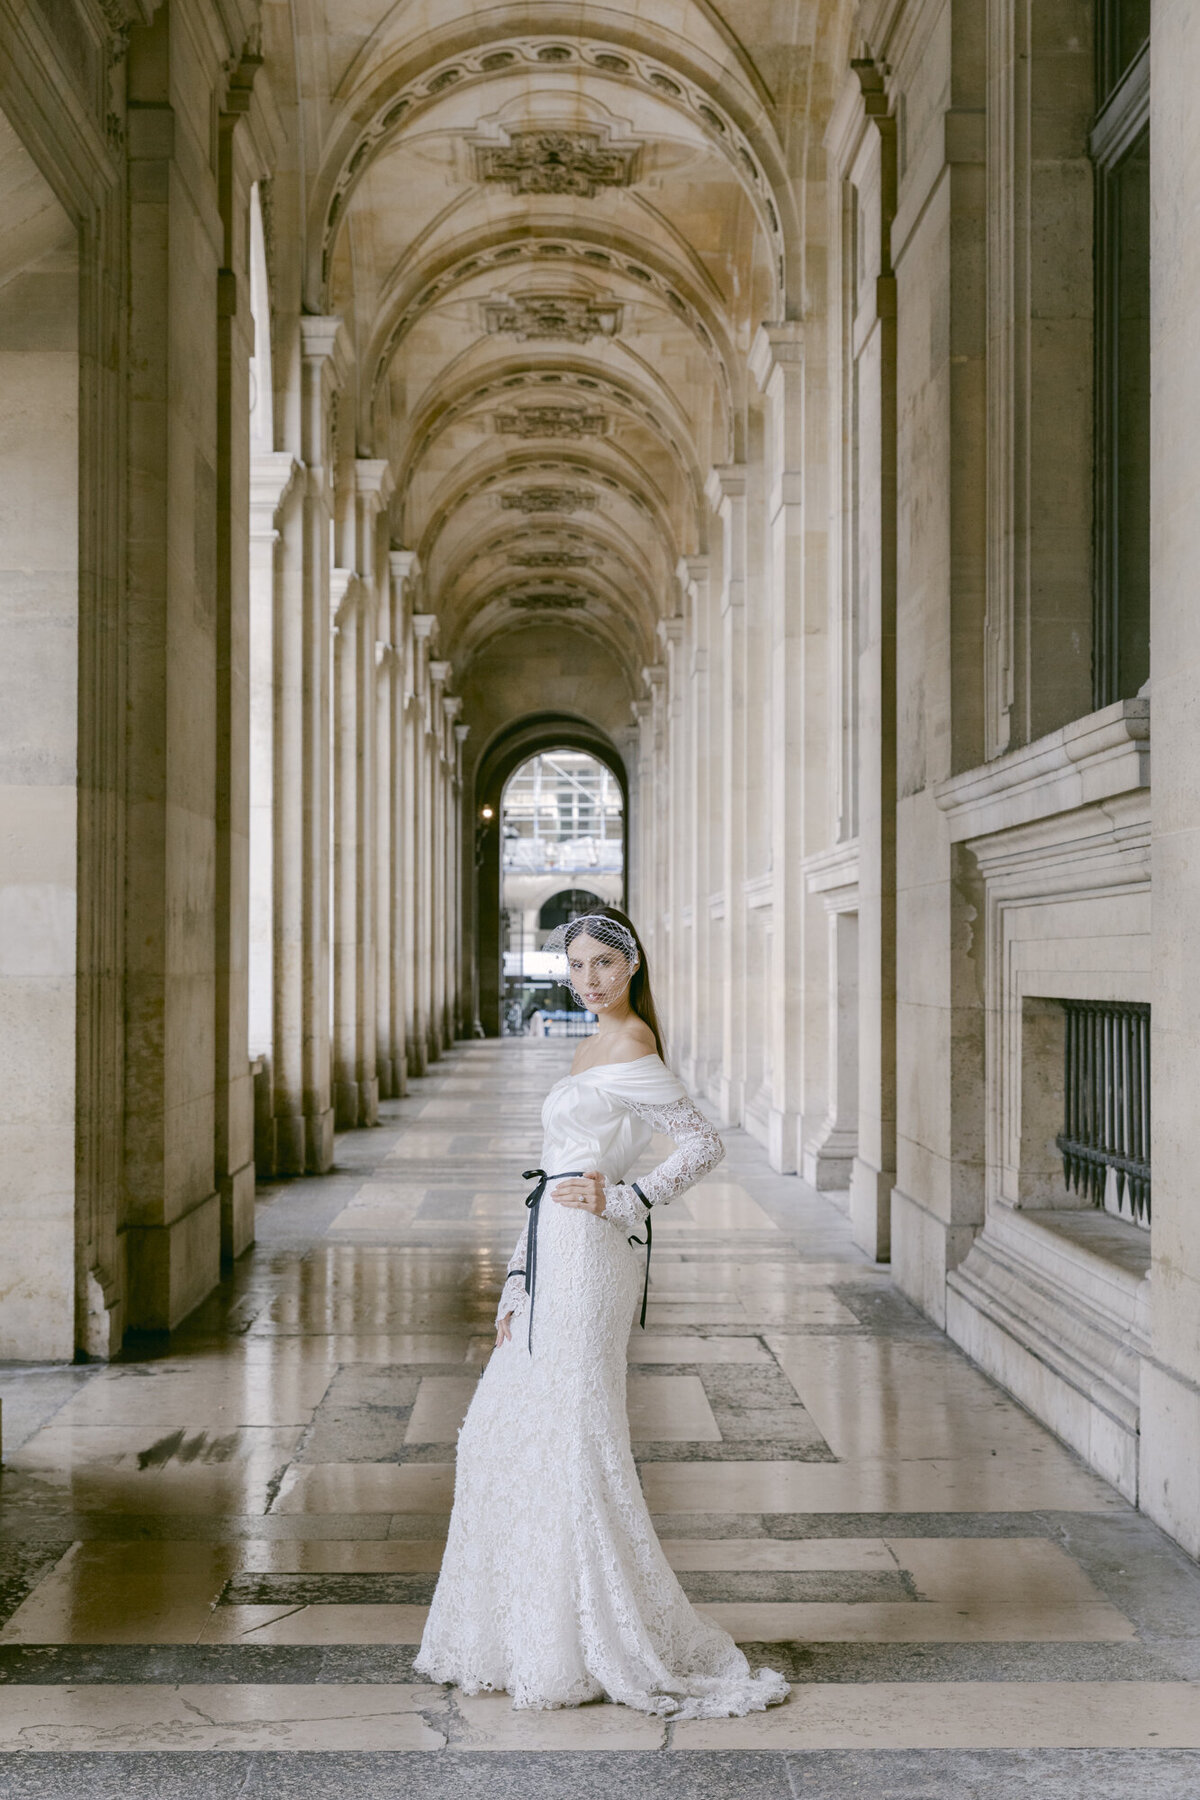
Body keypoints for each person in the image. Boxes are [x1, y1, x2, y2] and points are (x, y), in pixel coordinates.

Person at [415, 907, 788, 1719]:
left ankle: (587, 1638)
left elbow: (702, 1144)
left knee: (575, 1439)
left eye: (602, 966)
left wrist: (629, 1197)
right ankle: (530, 1631)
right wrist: (518, 1281)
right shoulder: (587, 1044)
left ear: (633, 965)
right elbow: (552, 1171)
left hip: (592, 1254)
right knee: (497, 1434)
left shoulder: (632, 1045)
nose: (587, 980)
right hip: (555, 1248)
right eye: (575, 966)